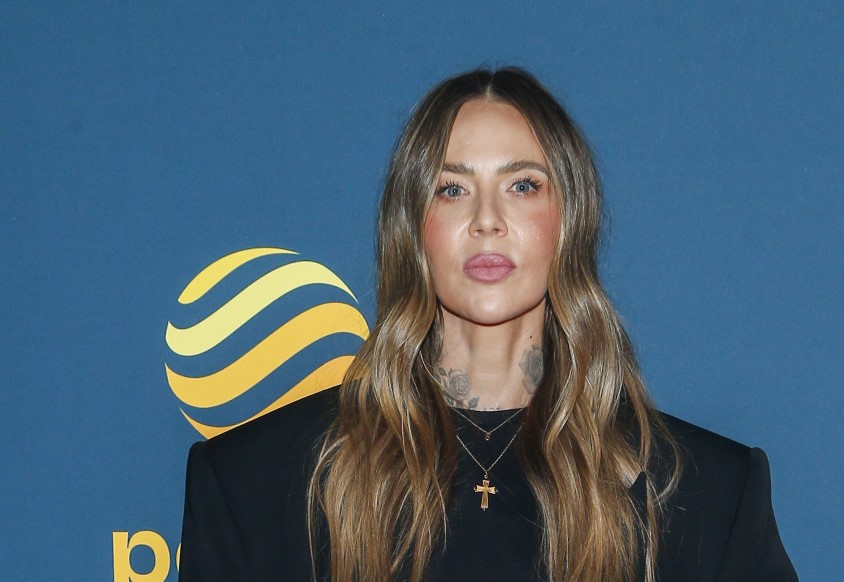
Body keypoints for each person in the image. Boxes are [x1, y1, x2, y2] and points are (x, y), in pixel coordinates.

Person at [178, 66, 798, 581]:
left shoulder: (705, 496)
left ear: (569, 219)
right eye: (451, 189)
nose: (487, 220)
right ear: (411, 227)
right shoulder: (254, 486)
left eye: (523, 185)